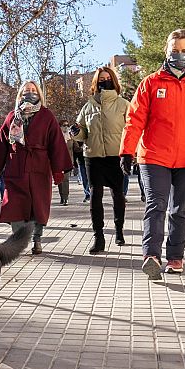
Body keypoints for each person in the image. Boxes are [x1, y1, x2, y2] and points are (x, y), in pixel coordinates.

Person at [120, 29, 185, 280]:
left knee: (180, 209)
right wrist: (127, 151)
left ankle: (175, 257)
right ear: (166, 51)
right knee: (156, 205)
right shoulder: (151, 83)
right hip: (154, 156)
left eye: (184, 51)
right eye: (174, 50)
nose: (179, 55)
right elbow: (134, 119)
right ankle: (151, 256)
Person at [0, 81, 72, 255]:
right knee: (14, 205)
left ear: (39, 94)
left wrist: (57, 170)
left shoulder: (47, 116)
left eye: (33, 91)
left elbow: (56, 143)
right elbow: (2, 143)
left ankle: (37, 239)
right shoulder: (12, 116)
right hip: (15, 166)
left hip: (39, 167)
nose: (29, 94)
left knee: (38, 206)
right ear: (20, 95)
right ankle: (18, 239)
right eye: (26, 91)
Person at [71, 67, 130, 254]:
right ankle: (99, 237)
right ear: (95, 83)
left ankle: (119, 230)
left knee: (118, 195)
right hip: (93, 156)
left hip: (115, 156)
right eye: (101, 79)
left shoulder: (123, 104)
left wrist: (130, 153)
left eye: (107, 78)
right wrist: (76, 132)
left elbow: (132, 129)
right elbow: (82, 132)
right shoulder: (88, 106)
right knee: (95, 196)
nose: (105, 82)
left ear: (113, 80)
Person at [58, 119, 74, 206]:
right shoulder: (56, 136)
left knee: (66, 180)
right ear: (59, 126)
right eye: (64, 125)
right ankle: (61, 196)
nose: (66, 127)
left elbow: (76, 148)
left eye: (67, 125)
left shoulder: (71, 136)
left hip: (68, 161)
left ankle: (65, 198)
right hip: (58, 160)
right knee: (60, 179)